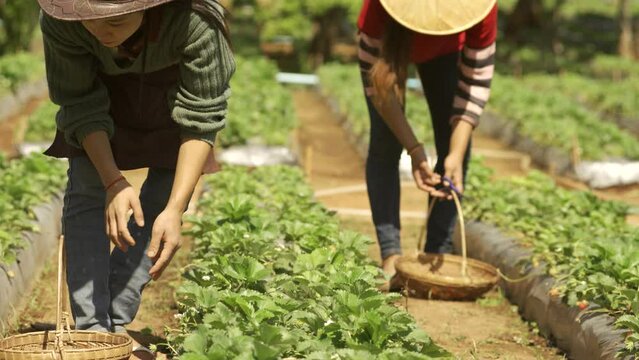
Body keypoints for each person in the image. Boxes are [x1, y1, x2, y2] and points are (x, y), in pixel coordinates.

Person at [36, 0, 235, 357]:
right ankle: (93, 332)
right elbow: (79, 104)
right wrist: (113, 181)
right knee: (87, 187)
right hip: (102, 105)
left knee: (163, 202)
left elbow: (202, 116)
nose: (103, 27)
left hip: (171, 105)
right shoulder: (63, 21)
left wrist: (175, 209)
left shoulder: (196, 21)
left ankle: (114, 320)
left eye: (118, 17)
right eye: (91, 18)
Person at [357, 0, 498, 281]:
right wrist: (415, 150)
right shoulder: (378, 8)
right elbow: (381, 92)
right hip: (391, 44)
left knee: (455, 145)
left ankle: (438, 250)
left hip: (447, 52)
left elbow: (474, 86)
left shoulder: (481, 9)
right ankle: (391, 255)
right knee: (386, 142)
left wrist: (455, 155)